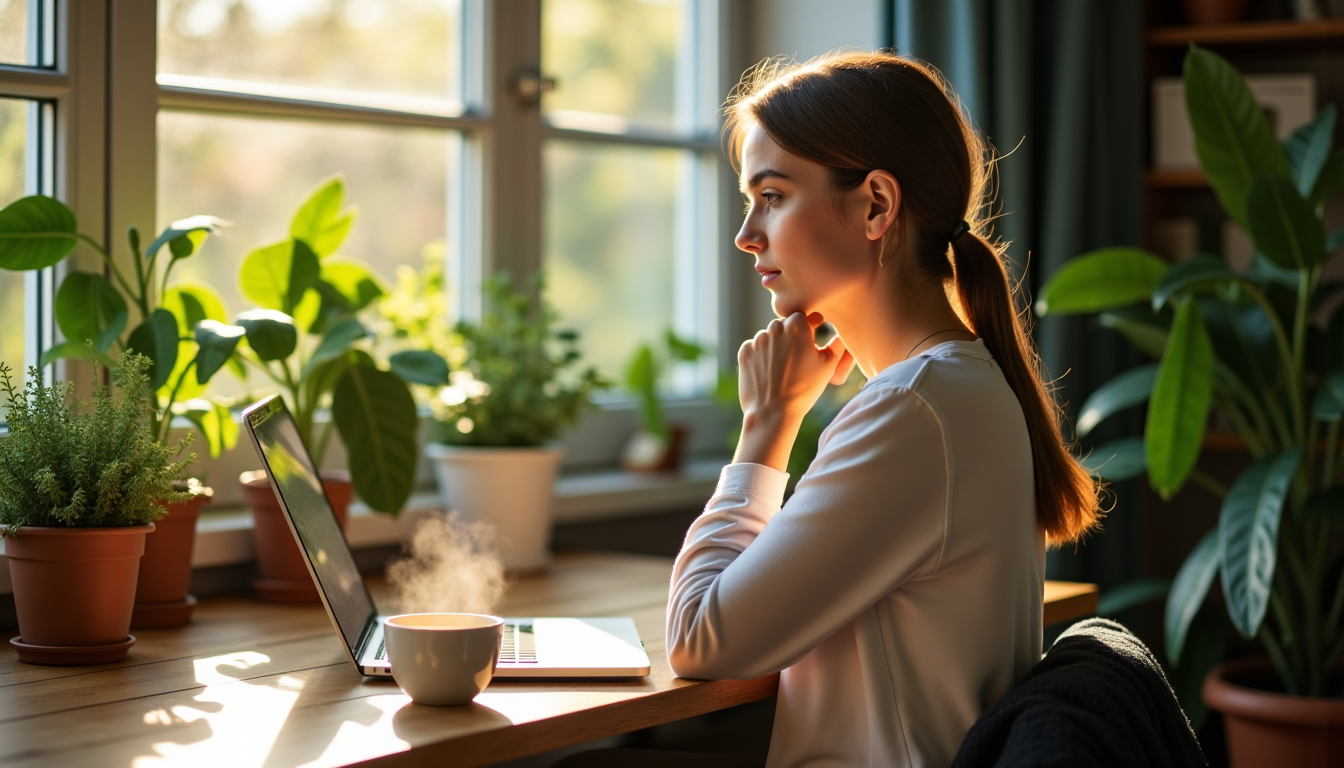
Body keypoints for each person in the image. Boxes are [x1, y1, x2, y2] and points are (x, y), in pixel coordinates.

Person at [661, 51, 1104, 768]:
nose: (747, 234)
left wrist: (767, 428)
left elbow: (701, 639)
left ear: (875, 205)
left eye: (771, 196)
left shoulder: (913, 409)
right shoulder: (955, 388)